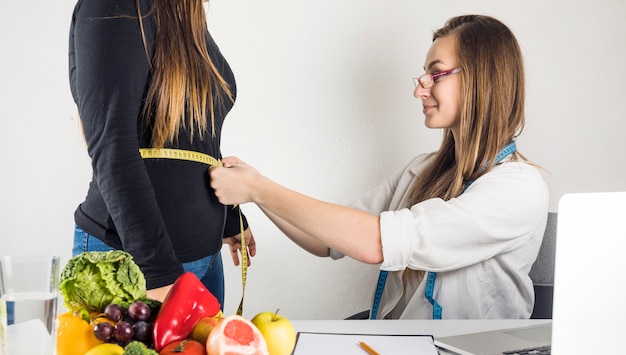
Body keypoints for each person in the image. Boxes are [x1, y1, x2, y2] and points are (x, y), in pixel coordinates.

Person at [210, 15, 549, 319]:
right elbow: (329, 240)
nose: (420, 89)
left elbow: (375, 243)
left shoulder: (518, 188)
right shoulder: (422, 170)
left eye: (435, 74)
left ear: (481, 79)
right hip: (404, 349)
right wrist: (257, 191)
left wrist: (258, 188)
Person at [68, 0, 256, 305]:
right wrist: (159, 272)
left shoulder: (186, 19)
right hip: (136, 266)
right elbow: (111, 145)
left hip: (205, 261)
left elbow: (193, 138)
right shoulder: (113, 5)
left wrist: (228, 218)